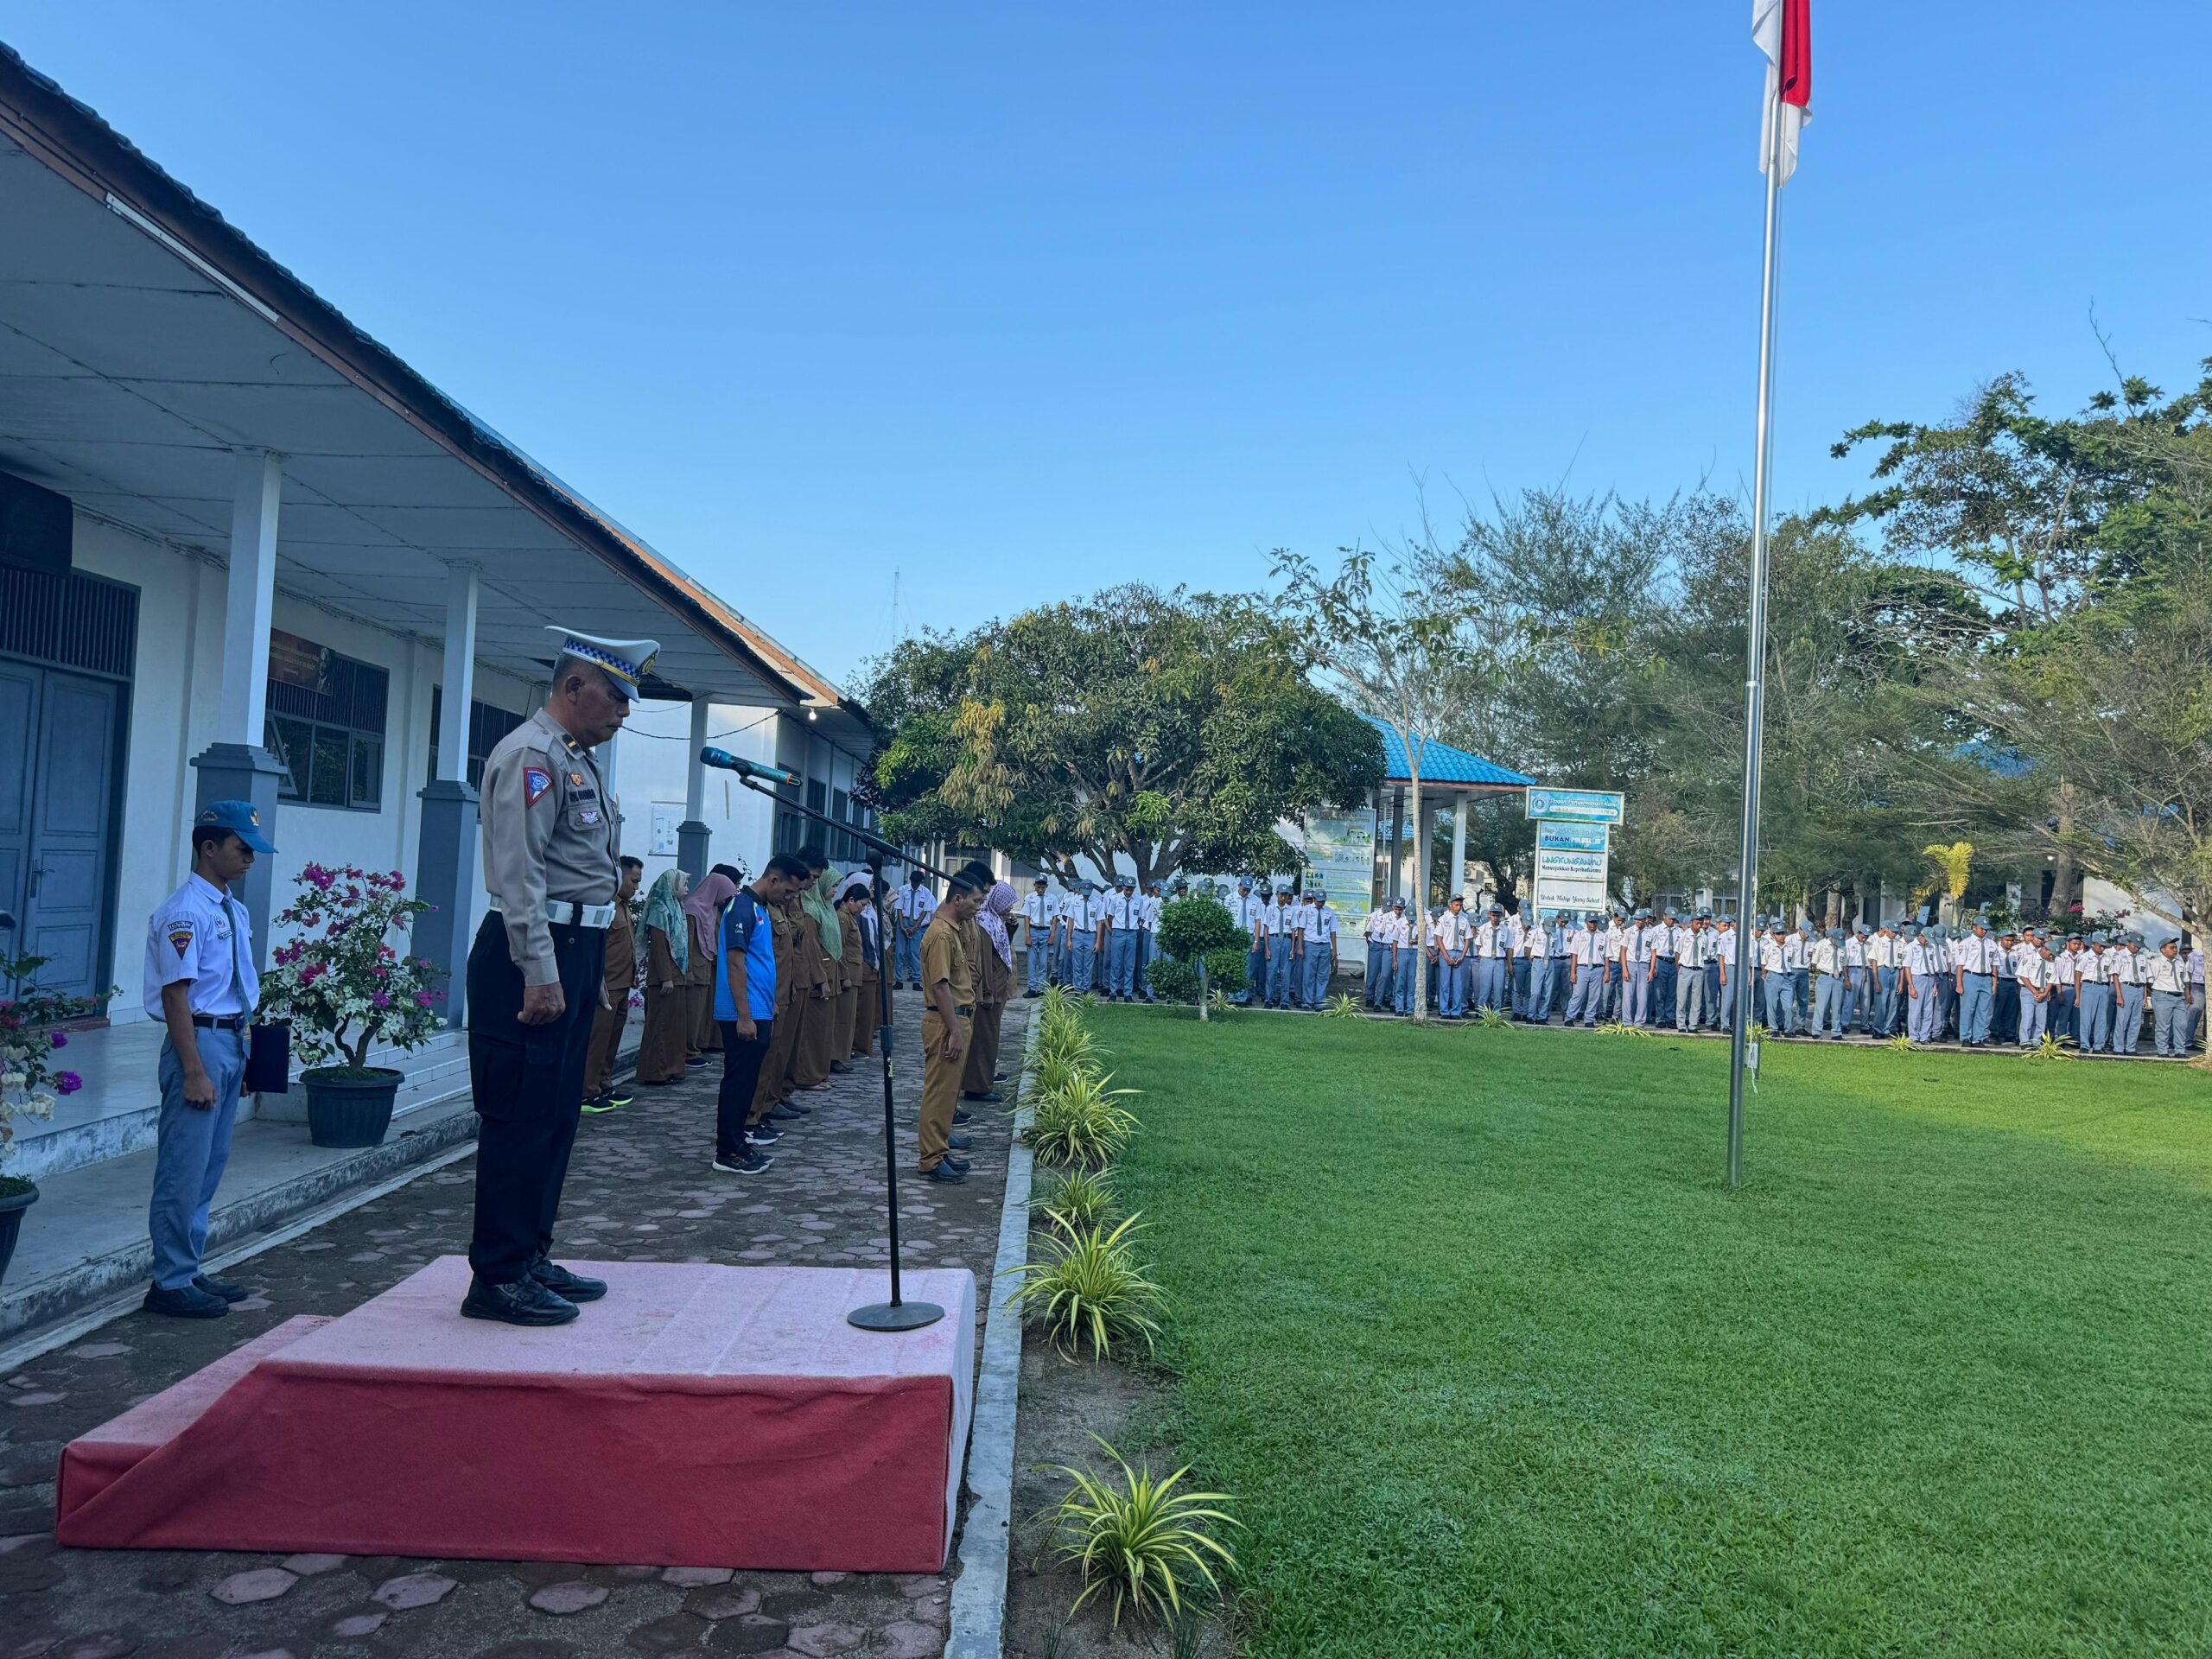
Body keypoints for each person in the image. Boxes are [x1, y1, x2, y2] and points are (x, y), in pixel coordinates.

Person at [462, 628, 651, 1325]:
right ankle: (497, 1275)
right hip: (528, 956)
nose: (624, 712)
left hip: (572, 948)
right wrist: (541, 971)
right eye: (616, 697)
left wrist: (585, 968)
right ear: (574, 688)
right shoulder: (531, 756)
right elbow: (521, 876)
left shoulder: (575, 760)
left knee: (556, 1116)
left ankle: (531, 1253)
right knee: (519, 1118)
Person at [140, 800, 276, 1318]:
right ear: (209, 847)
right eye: (243, 849)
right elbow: (177, 997)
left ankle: (188, 1266)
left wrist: (244, 1053)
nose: (250, 860)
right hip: (196, 1042)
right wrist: (194, 1070)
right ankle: (169, 1281)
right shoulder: (185, 912)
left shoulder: (231, 909)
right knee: (183, 1167)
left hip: (229, 1040)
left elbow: (236, 987)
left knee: (208, 1167)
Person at [713, 854, 809, 1176]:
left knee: (748, 1082)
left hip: (759, 1009)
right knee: (738, 1082)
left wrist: (769, 1005)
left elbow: (761, 962)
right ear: (773, 880)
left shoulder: (760, 909)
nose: (790, 898)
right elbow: (735, 963)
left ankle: (739, 1142)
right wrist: (744, 1016)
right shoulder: (741, 907)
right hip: (743, 1013)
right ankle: (727, 1150)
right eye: (789, 891)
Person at [918, 871, 986, 1184]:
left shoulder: (952, 929)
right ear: (957, 899)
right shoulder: (942, 934)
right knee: (938, 1092)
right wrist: (955, 1031)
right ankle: (930, 1159)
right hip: (946, 1021)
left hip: (956, 1018)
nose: (978, 908)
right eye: (976, 901)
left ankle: (939, 1150)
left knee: (947, 1094)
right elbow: (940, 986)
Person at [583, 855, 644, 1112]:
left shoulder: (624, 907)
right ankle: (587, 1091)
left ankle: (603, 1083)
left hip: (622, 984)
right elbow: (594, 947)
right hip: (605, 987)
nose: (637, 887)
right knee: (597, 1041)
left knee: (611, 1040)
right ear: (619, 877)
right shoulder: (604, 904)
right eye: (633, 881)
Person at [636, 869, 692, 1086]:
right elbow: (659, 947)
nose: (687, 889)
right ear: (672, 885)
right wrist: (666, 977)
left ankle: (672, 1068)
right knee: (660, 1026)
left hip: (677, 975)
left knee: (674, 1027)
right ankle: (656, 1072)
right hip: (664, 978)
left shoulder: (677, 907)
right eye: (683, 884)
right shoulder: (660, 910)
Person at [964, 880, 1018, 1099]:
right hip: (991, 990)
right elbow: (985, 961)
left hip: (997, 988)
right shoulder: (984, 923)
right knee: (984, 1038)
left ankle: (985, 1080)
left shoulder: (995, 920)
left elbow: (1002, 948)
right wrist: (986, 992)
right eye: (1008, 903)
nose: (1010, 908)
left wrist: (1011, 927)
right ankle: (978, 1087)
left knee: (990, 1036)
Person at [682, 870, 739, 1066]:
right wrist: (688, 970)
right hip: (695, 971)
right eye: (723, 894)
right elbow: (687, 944)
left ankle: (695, 1047)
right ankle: (689, 1052)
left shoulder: (710, 909)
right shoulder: (693, 910)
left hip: (706, 968)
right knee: (691, 1014)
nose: (724, 900)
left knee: (701, 1013)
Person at [830, 874, 868, 1066]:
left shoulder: (850, 918)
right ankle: (835, 1056)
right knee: (842, 1019)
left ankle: (841, 1055)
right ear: (851, 900)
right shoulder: (843, 919)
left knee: (848, 1018)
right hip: (846, 976)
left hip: (853, 974)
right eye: (862, 904)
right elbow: (840, 950)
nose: (863, 909)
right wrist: (844, 975)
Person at [2145, 937, 2189, 1058]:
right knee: (2163, 1025)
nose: (2175, 950)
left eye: (2175, 948)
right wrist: (2156, 993)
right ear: (2163, 950)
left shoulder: (2179, 962)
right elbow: (2149, 981)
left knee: (2181, 1024)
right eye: (2172, 948)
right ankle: (2162, 1051)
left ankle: (2180, 1051)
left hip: (2178, 996)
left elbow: (2185, 979)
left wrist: (2187, 994)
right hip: (2163, 995)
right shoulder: (2156, 962)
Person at [892, 871, 935, 988]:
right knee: (900, 953)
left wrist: (914, 928)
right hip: (904, 920)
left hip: (917, 923)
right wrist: (902, 926)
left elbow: (925, 912)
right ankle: (899, 980)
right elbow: (899, 908)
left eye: (917, 883)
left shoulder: (926, 893)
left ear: (921, 882)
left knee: (914, 953)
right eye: (913, 883)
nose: (914, 885)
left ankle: (916, 981)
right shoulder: (903, 890)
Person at [1434, 894, 1473, 1018]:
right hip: (1447, 951)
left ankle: (1456, 1011)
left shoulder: (1464, 920)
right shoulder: (1443, 919)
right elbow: (1439, 939)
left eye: (1460, 905)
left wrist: (1463, 956)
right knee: (1445, 984)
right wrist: (1446, 956)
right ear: (1450, 905)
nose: (1458, 908)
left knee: (1458, 985)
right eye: (1456, 905)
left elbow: (1467, 939)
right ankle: (1444, 1010)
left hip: (1459, 953)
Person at [2017, 934, 2054, 1046]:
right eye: (2050, 953)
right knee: (2028, 1017)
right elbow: (2024, 977)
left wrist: (2045, 993)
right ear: (2045, 949)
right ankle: (2025, 1041)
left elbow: (2052, 980)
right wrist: (2035, 992)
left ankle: (2036, 1042)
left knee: (2041, 1020)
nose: (2051, 956)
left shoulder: (2052, 962)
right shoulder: (2029, 958)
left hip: (2043, 992)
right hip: (2028, 991)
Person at [1235, 877, 1268, 1006]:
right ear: (1239, 886)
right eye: (1244, 889)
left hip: (1248, 935)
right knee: (1233, 965)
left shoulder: (1255, 901)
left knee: (1247, 968)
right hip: (1234, 934)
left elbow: (1258, 921)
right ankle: (1232, 996)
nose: (1246, 892)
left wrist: (1256, 941)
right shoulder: (1230, 899)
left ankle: (1242, 997)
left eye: (1248, 890)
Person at [1303, 890, 1338, 1006]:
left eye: (1323, 901)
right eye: (1318, 901)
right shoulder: (1306, 910)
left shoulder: (1329, 912)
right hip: (1310, 943)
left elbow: (1333, 931)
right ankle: (1307, 1001)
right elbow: (1301, 929)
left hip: (1324, 945)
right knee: (1309, 974)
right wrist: (1300, 947)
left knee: (1323, 975)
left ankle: (1320, 1001)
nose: (1320, 904)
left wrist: (1334, 949)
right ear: (1314, 899)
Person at [1021, 876, 1054, 998]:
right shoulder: (1029, 898)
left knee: (1043, 962)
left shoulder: (1052, 898)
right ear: (1035, 885)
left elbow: (1055, 918)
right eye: (1038, 887)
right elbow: (1026, 917)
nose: (1040, 889)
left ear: (1046, 886)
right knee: (1032, 962)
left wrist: (1052, 935)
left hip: (1045, 931)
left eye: (1043, 887)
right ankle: (1032, 988)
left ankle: (1041, 988)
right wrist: (1027, 935)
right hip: (1033, 930)